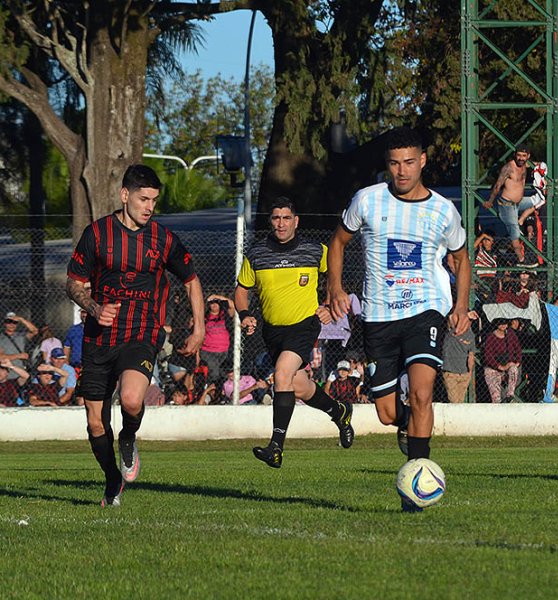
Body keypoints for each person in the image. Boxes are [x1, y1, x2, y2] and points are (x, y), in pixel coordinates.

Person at [327, 126, 471, 509]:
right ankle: (407, 425)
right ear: (387, 165)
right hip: (378, 316)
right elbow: (338, 242)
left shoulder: (443, 209)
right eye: (394, 163)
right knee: (387, 412)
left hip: (426, 309)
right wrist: (335, 288)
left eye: (409, 162)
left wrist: (460, 305)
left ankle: (417, 485)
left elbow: (460, 258)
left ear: (422, 161)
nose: (402, 171)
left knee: (423, 393)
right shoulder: (367, 200)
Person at [66, 164, 206, 507]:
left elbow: (191, 280)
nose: (149, 207)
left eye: (154, 200)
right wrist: (94, 308)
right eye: (144, 199)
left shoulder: (162, 238)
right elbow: (73, 283)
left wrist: (200, 328)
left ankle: (128, 437)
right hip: (99, 338)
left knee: (130, 400)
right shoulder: (97, 234)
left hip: (142, 332)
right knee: (95, 424)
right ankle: (112, 479)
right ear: (124, 195)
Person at [235, 197, 354, 469]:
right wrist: (245, 314)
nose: (281, 223)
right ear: (271, 221)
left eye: (286, 218)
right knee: (298, 386)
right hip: (272, 331)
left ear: (296, 221)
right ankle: (339, 412)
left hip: (304, 326)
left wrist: (328, 305)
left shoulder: (315, 250)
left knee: (281, 374)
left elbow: (335, 276)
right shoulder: (257, 253)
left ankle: (276, 447)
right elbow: (241, 290)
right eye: (276, 218)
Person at [481, 146, 538, 264]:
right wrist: (490, 201)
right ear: (515, 155)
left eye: (524, 156)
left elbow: (540, 166)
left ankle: (522, 219)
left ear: (528, 156)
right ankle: (521, 260)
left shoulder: (526, 165)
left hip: (519, 203)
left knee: (539, 200)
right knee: (514, 232)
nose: (521, 158)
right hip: (507, 204)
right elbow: (498, 185)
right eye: (519, 155)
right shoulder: (508, 168)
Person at [482, 319, 521, 403]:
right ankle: (497, 402)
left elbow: (518, 349)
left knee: (514, 369)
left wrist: (517, 362)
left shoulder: (511, 334)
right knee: (496, 399)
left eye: (505, 322)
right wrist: (501, 367)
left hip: (508, 367)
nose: (503, 324)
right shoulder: (491, 337)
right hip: (494, 368)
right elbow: (488, 356)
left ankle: (510, 395)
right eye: (500, 322)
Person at [441, 315, 476, 404]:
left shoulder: (470, 335)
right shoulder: (451, 332)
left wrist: (469, 372)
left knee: (460, 402)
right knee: (454, 401)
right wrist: (465, 314)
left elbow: (471, 354)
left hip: (464, 373)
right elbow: (451, 318)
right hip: (450, 372)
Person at [200, 294, 234, 384]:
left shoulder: (225, 315)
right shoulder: (204, 317)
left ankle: (222, 389)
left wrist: (217, 296)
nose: (214, 305)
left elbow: (232, 305)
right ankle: (212, 388)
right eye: (212, 303)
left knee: (224, 374)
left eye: (216, 302)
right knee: (214, 373)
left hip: (224, 350)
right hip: (208, 351)